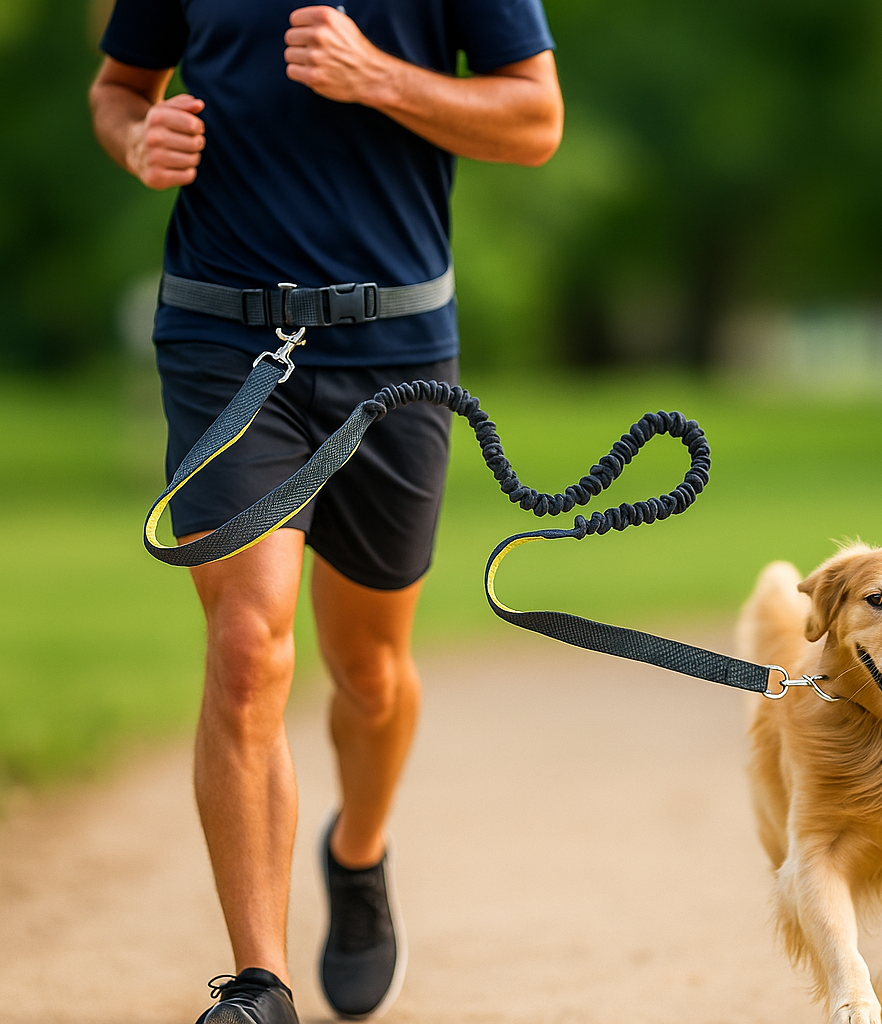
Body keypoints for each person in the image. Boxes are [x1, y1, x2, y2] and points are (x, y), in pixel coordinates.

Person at [89, 3, 563, 1022]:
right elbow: (118, 86)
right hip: (222, 339)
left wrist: (378, 77)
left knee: (371, 671)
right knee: (249, 646)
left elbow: (535, 121)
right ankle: (259, 984)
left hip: (394, 348)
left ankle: (357, 850)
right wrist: (138, 134)